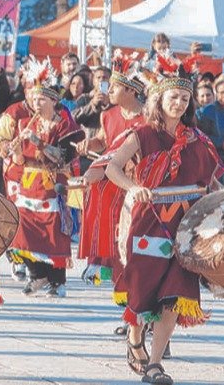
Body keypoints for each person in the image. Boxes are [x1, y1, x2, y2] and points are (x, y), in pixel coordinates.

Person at [105, 54, 222, 385]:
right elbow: (113, 168)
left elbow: (210, 182)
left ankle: (155, 364)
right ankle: (134, 334)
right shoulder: (141, 134)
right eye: (174, 96)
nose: (180, 102)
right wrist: (134, 187)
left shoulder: (199, 139)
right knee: (144, 293)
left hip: (186, 227)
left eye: (185, 98)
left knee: (174, 294)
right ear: (159, 97)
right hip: (149, 222)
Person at [0, 58, 84, 297]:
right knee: (21, 227)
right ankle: (36, 273)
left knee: (54, 231)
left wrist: (38, 142)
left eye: (42, 97)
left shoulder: (63, 120)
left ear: (54, 100)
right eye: (34, 96)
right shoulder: (18, 116)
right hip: (25, 181)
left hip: (52, 182)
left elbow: (64, 155)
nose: (36, 101)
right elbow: (3, 144)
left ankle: (56, 280)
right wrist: (14, 151)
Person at [76, 52, 146, 332]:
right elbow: (105, 143)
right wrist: (88, 143)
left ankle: (143, 315)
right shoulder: (108, 115)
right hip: (114, 190)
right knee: (120, 250)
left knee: (139, 250)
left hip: (139, 189)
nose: (108, 91)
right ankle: (131, 316)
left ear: (130, 90)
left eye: (114, 87)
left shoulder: (149, 118)